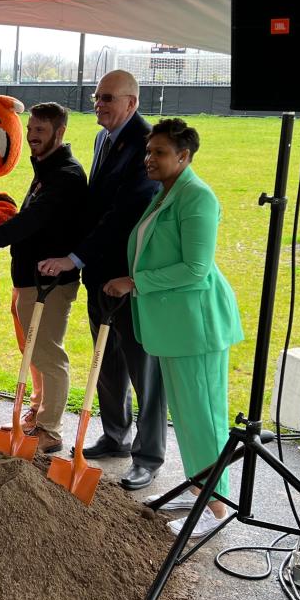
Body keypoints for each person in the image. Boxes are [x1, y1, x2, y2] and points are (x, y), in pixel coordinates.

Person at [102, 119, 243, 536]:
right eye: (149, 151)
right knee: (187, 417)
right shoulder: (168, 193)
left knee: (204, 418)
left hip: (197, 327)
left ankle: (217, 508)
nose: (150, 159)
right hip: (175, 326)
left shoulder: (196, 197)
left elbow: (196, 269)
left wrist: (135, 282)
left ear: (184, 156)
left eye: (160, 152)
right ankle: (204, 488)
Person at [39, 70, 167, 490]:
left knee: (140, 364)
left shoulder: (147, 145)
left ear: (131, 102)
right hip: (98, 271)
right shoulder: (102, 139)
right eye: (96, 98)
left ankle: (148, 456)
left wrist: (75, 256)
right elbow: (95, 207)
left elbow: (124, 213)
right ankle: (116, 435)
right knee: (106, 360)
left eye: (108, 98)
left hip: (127, 273)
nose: (99, 105)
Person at [0, 102, 87, 455]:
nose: (31, 136)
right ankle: (37, 412)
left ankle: (50, 429)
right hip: (29, 281)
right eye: (30, 129)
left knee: (47, 353)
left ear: (59, 133)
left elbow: (31, 221)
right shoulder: (48, 167)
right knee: (32, 351)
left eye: (40, 131)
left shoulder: (66, 175)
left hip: (50, 284)